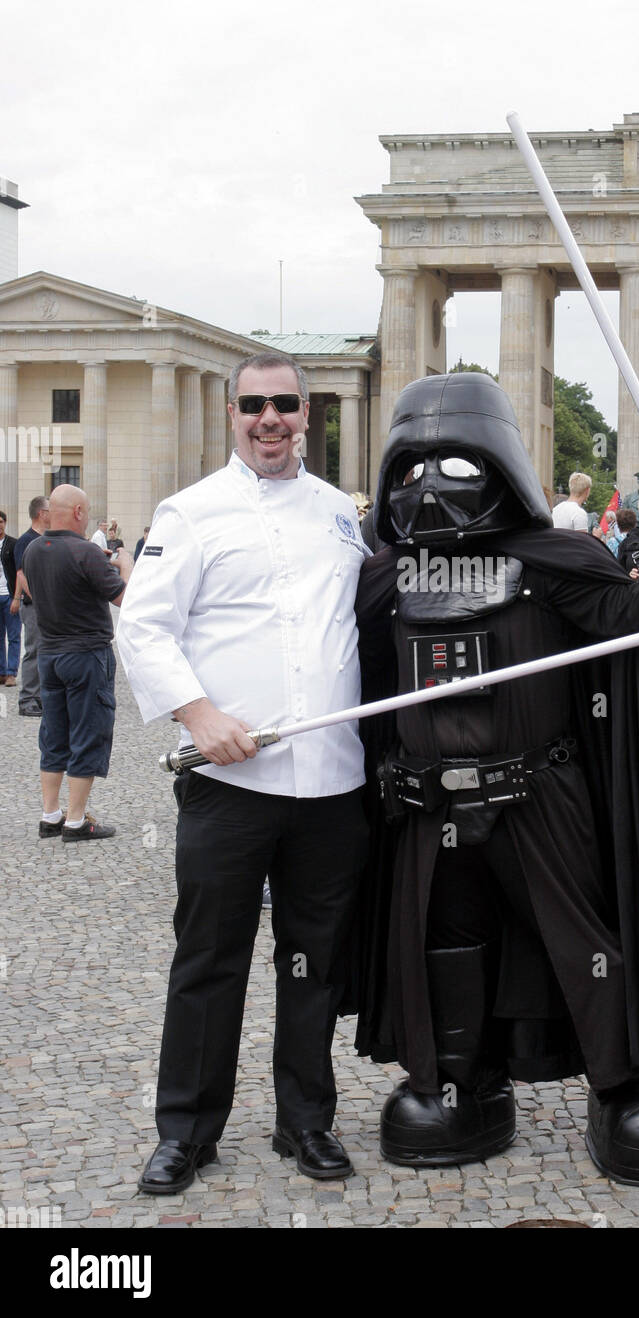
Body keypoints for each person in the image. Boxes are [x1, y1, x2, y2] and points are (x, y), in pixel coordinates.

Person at [354, 372, 639, 1188]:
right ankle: (463, 1074)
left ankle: (627, 1077)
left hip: (541, 796)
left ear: (497, 463)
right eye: (410, 469)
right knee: (447, 942)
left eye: (455, 466)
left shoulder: (555, 561)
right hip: (430, 807)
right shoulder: (385, 579)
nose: (428, 490)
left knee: (585, 936)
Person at [117, 352, 370, 1196]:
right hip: (230, 786)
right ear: (233, 413)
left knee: (314, 963)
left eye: (286, 405)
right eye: (254, 405)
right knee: (210, 959)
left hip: (331, 783)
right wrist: (201, 715)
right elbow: (143, 629)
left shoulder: (342, 516)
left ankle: (306, 1122)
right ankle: (187, 1132)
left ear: (307, 414)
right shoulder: (189, 513)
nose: (271, 419)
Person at [21, 486, 132, 840]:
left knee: (54, 734)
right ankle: (76, 820)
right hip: (85, 654)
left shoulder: (34, 549)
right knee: (88, 732)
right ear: (80, 511)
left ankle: (50, 814)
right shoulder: (86, 552)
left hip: (50, 656)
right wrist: (125, 565)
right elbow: (125, 599)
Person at [11, 495, 51, 715]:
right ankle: (27, 699)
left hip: (47, 605)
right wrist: (37, 598)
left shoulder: (48, 539)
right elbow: (21, 574)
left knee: (45, 651)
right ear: (41, 514)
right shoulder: (26, 541)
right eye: (50, 509)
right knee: (33, 650)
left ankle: (40, 696)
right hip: (34, 605)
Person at [0, 509, 20, 686]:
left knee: (13, 635)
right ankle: (1, 671)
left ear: (5, 523)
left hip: (9, 595)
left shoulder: (13, 544)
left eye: (0, 522)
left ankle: (11, 672)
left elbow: (19, 572)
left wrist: (17, 597)